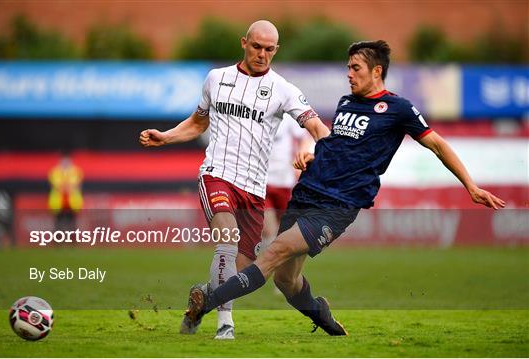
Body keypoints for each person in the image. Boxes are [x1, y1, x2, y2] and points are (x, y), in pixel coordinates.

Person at [181, 40, 506, 336]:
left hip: (337, 206)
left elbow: (437, 145)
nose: (348, 74)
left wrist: (471, 186)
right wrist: (314, 155)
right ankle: (322, 315)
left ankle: (206, 301)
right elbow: (337, 145)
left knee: (273, 253)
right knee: (286, 279)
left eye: (355, 68)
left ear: (377, 71)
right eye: (348, 67)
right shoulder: (348, 103)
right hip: (307, 192)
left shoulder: (398, 109)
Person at [139, 20, 330, 339]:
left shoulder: (283, 89)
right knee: (226, 237)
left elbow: (316, 126)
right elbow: (198, 123)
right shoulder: (217, 79)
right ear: (244, 43)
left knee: (242, 273)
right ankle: (225, 324)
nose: (262, 54)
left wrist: (321, 148)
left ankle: (201, 300)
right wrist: (166, 137)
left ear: (276, 50)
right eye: (256, 46)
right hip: (217, 175)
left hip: (255, 189)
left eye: (269, 49)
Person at [262, 115, 313, 249]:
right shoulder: (253, 113)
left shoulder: (287, 116)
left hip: (285, 181)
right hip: (261, 181)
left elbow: (305, 138)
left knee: (288, 232)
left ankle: (287, 268)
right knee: (269, 230)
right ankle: (268, 266)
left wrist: (301, 157)